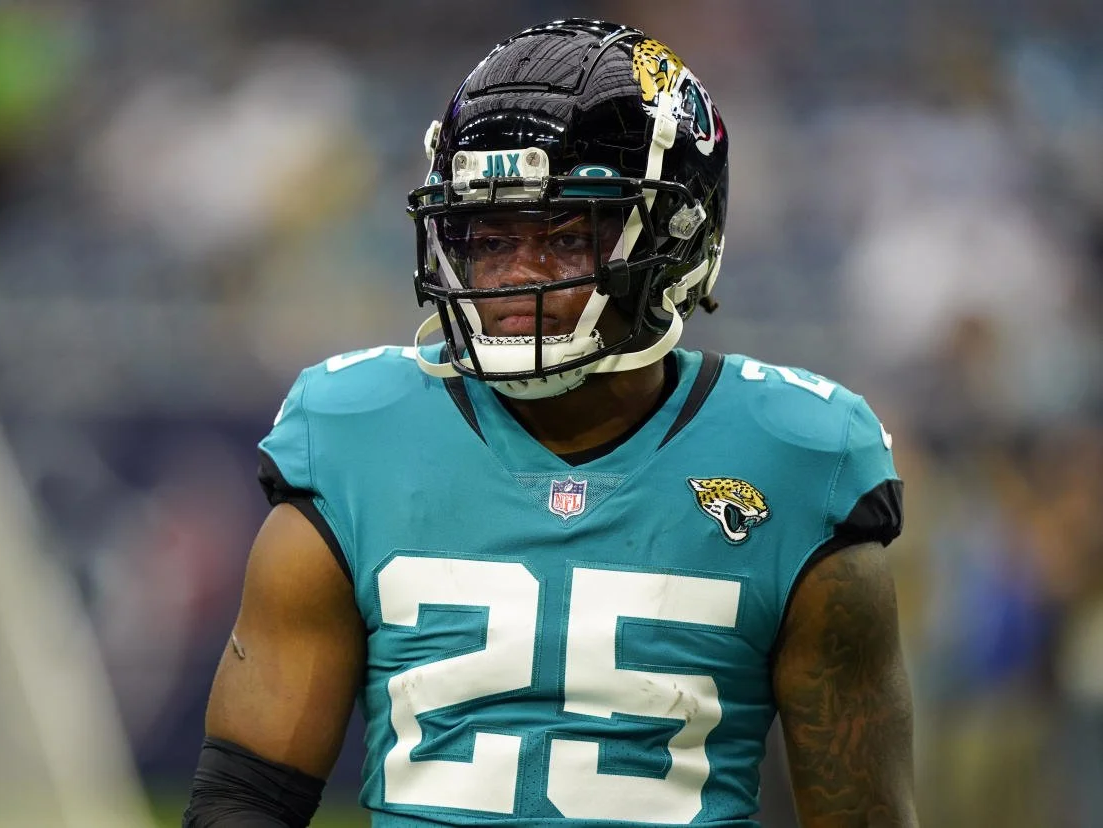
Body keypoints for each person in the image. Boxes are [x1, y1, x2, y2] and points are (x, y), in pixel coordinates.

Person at [183, 18, 917, 828]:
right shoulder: (355, 436)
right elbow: (243, 801)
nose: (515, 277)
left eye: (566, 237)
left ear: (678, 238)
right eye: (491, 237)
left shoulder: (796, 458)